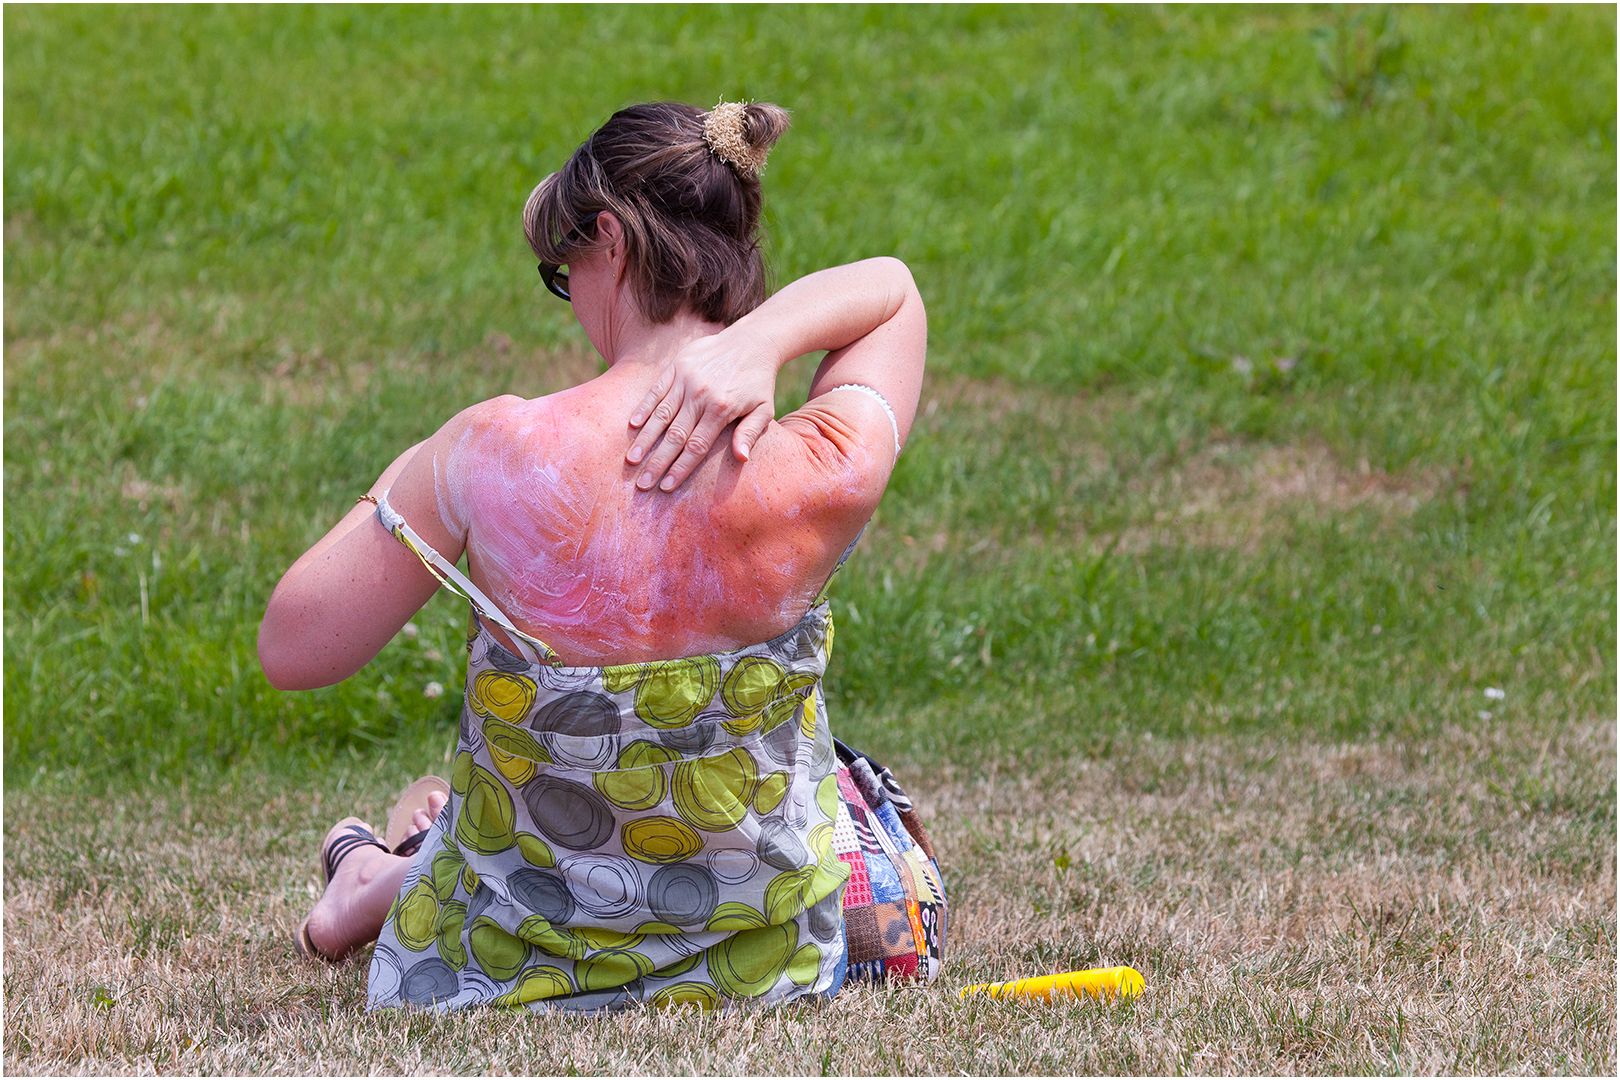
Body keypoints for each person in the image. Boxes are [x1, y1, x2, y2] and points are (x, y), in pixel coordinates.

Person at [258, 100, 940, 1012]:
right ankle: (381, 871)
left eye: (562, 271)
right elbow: (892, 290)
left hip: (500, 965)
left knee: (449, 800)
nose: (571, 298)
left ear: (609, 242)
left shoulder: (489, 453)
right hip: (761, 968)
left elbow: (294, 649)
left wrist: (409, 474)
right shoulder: (820, 463)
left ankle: (380, 874)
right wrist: (762, 343)